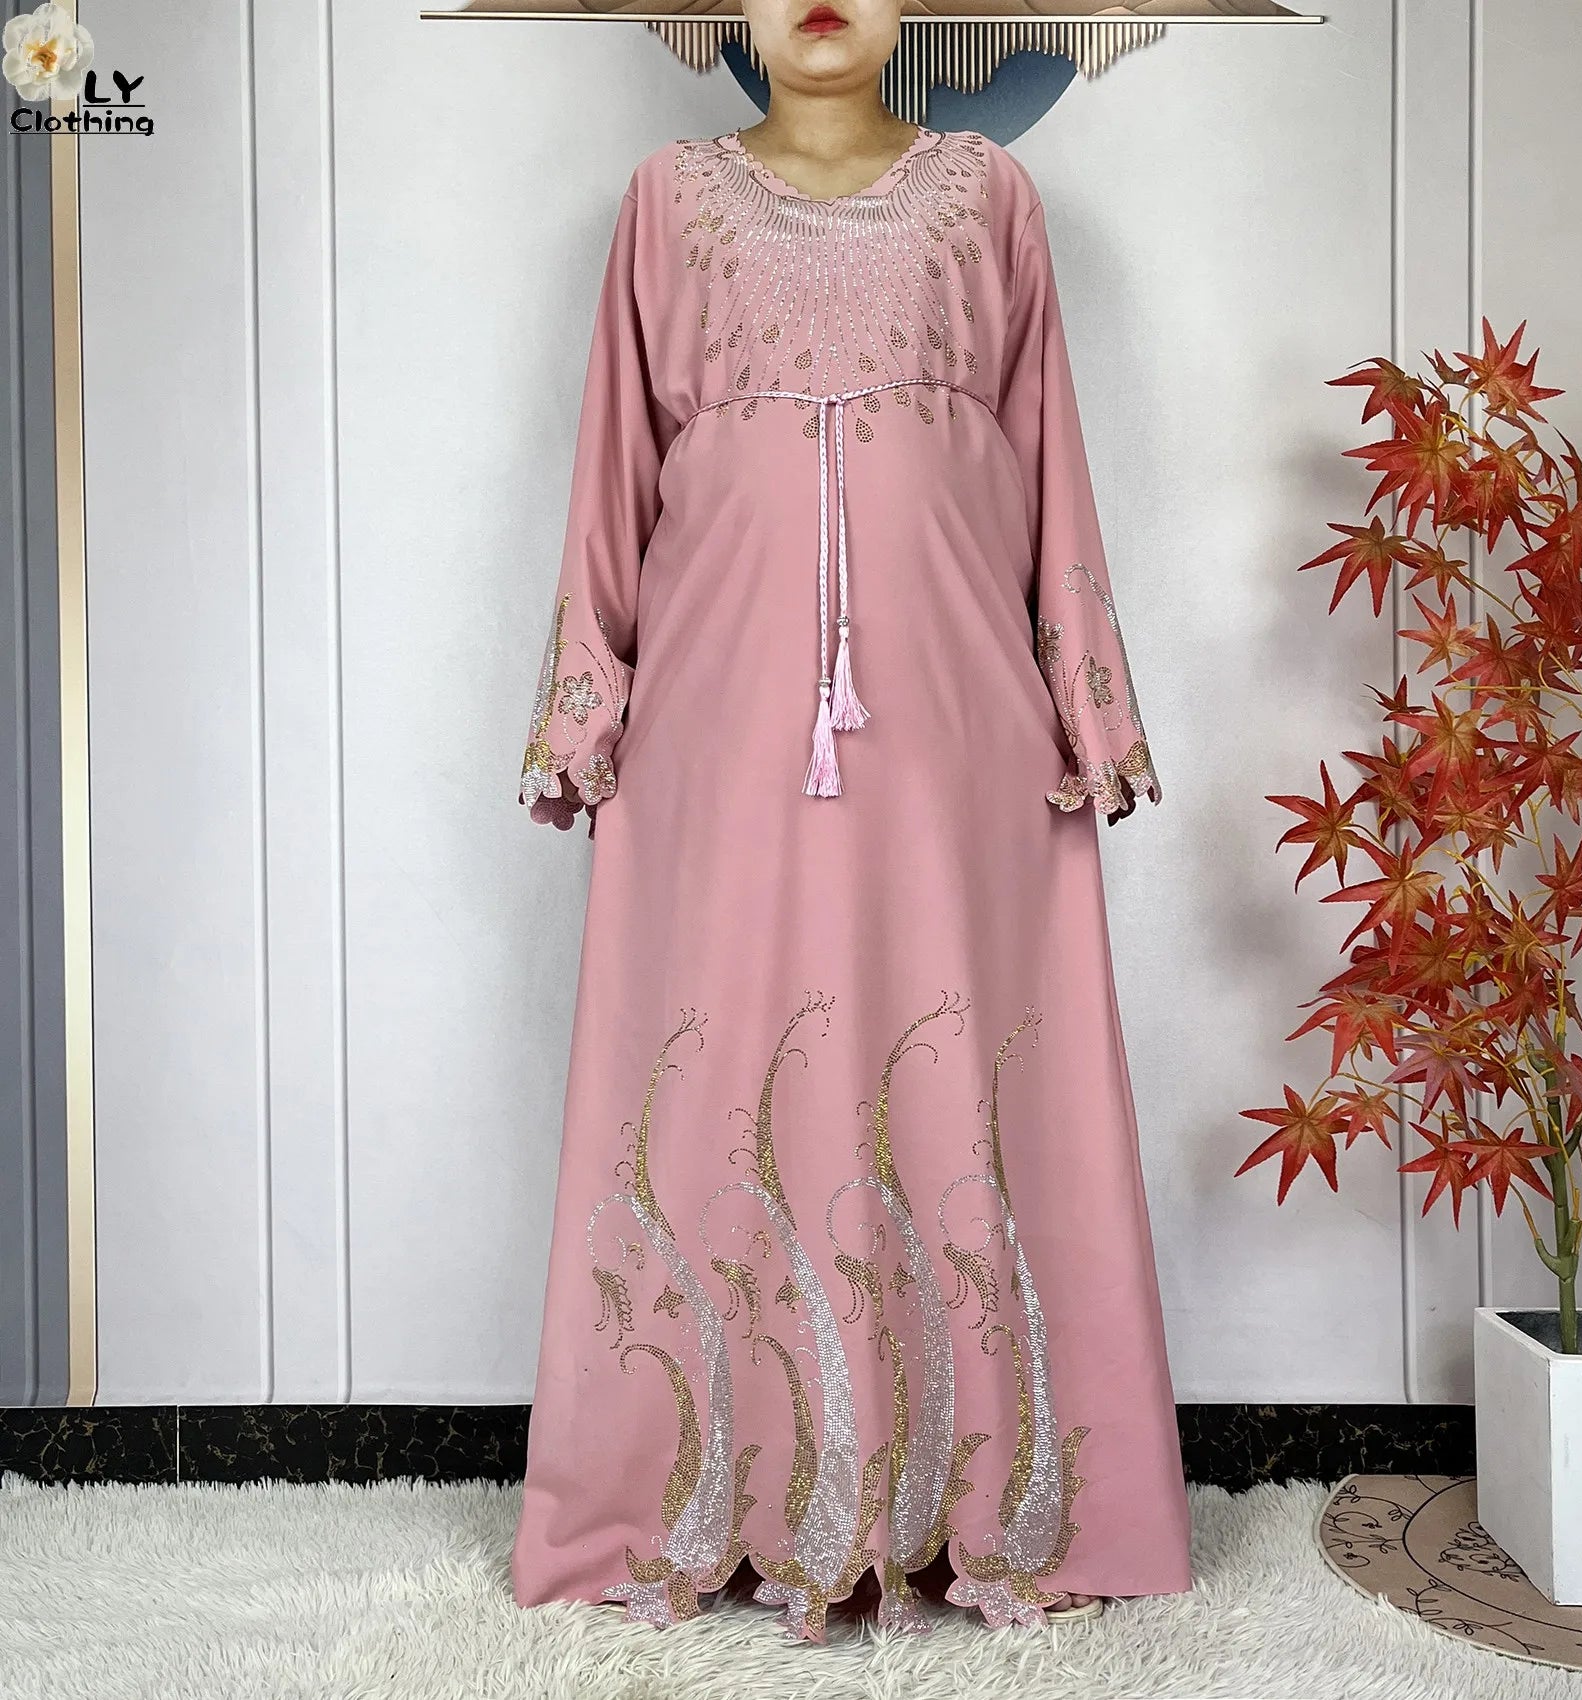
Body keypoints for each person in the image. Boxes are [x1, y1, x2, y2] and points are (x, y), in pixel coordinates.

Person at [509, 0, 1193, 1638]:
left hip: (957, 733)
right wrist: (587, 710)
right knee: (724, 1055)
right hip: (714, 726)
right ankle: (712, 1491)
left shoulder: (991, 197)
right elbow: (612, 471)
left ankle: (982, 1500)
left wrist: (1087, 698)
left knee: (956, 1053)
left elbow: (1050, 461)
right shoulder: (664, 202)